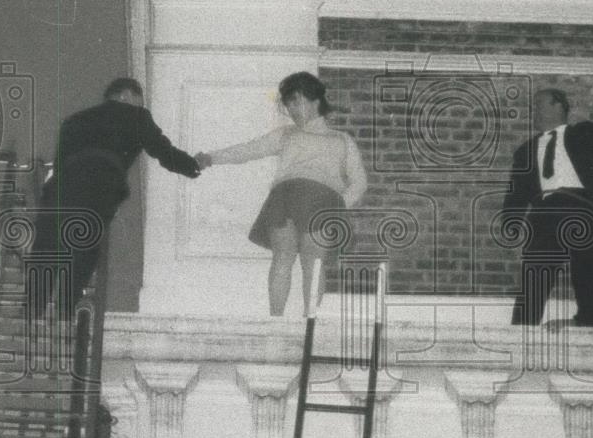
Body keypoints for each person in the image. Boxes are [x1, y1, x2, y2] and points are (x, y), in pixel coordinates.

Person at [196, 72, 367, 317]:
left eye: (297, 101)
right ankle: (275, 321)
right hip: (284, 198)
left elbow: (359, 183)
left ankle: (310, 324)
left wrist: (337, 209)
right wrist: (211, 157)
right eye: (289, 104)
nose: (292, 109)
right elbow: (250, 149)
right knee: (282, 258)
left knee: (314, 263)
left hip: (322, 202)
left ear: (315, 100)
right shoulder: (286, 133)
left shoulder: (342, 139)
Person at [30, 77, 201, 316]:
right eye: (138, 101)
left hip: (62, 187)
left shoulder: (73, 121)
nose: (141, 106)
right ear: (125, 96)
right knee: (85, 245)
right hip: (99, 185)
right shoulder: (137, 116)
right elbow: (163, 151)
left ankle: (32, 309)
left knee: (47, 246)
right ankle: (66, 308)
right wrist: (193, 165)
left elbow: (60, 163)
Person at [503, 68, 593, 326]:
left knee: (586, 268)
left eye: (540, 103)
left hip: (581, 205)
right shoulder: (525, 151)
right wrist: (510, 224)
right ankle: (522, 329)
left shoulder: (585, 133)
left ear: (560, 106)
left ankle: (589, 320)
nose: (535, 109)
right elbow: (516, 192)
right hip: (543, 213)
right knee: (535, 272)